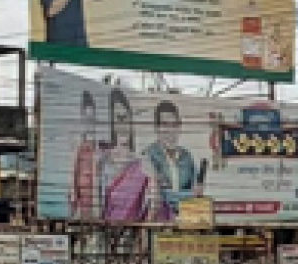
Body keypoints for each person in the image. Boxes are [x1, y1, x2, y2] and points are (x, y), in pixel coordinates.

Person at [100, 88, 154, 221]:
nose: (123, 125)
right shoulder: (102, 161)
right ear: (111, 122)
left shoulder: (142, 163)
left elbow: (151, 205)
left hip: (133, 231)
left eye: (127, 119)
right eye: (119, 119)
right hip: (103, 228)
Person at [143, 101, 201, 220]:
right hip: (159, 222)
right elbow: (157, 196)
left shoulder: (187, 157)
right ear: (156, 128)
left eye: (174, 125)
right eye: (165, 125)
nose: (170, 131)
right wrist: (188, 195)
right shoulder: (148, 155)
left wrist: (191, 195)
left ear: (179, 128)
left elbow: (197, 193)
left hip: (185, 221)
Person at [69, 90, 102, 219]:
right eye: (87, 119)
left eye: (92, 119)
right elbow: (73, 176)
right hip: (82, 205)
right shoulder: (78, 147)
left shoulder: (101, 147)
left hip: (100, 206)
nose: (90, 123)